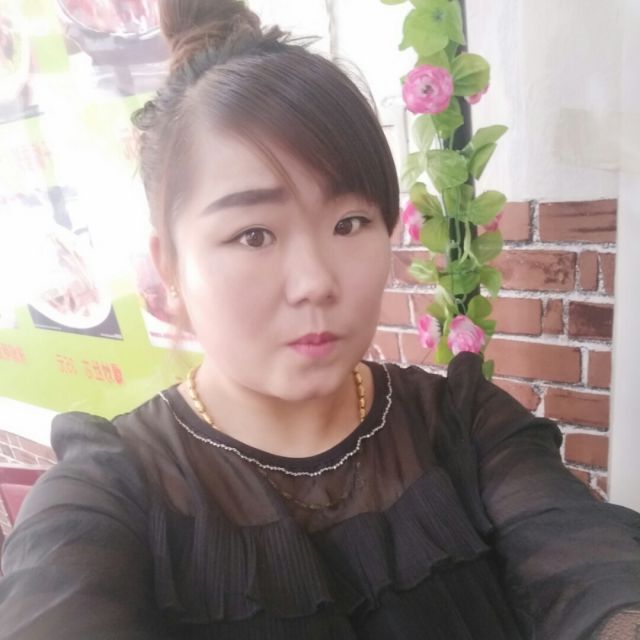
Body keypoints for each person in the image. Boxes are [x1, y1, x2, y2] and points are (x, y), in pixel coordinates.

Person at [1, 1, 639, 638]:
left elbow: (585, 561)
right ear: (168, 262)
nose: (315, 282)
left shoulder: (463, 424)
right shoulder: (113, 492)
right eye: (253, 234)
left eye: (349, 223)